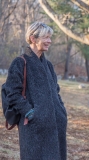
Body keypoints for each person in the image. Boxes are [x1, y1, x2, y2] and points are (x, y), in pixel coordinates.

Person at [4, 22, 67, 160]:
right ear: (33, 38)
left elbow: (56, 92)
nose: (49, 41)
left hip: (56, 127)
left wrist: (61, 111)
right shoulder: (20, 62)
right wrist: (31, 113)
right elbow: (12, 94)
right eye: (46, 37)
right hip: (34, 128)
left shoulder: (49, 65)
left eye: (50, 37)